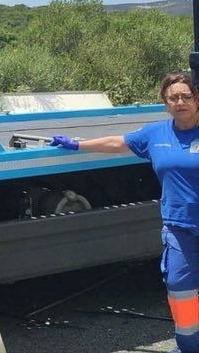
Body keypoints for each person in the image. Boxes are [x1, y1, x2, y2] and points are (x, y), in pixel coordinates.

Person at [51, 72, 199, 353]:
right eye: (173, 97)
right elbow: (117, 143)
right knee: (180, 289)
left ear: (197, 99)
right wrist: (76, 144)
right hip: (179, 229)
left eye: (186, 96)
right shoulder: (156, 134)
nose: (180, 102)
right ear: (166, 103)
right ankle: (189, 346)